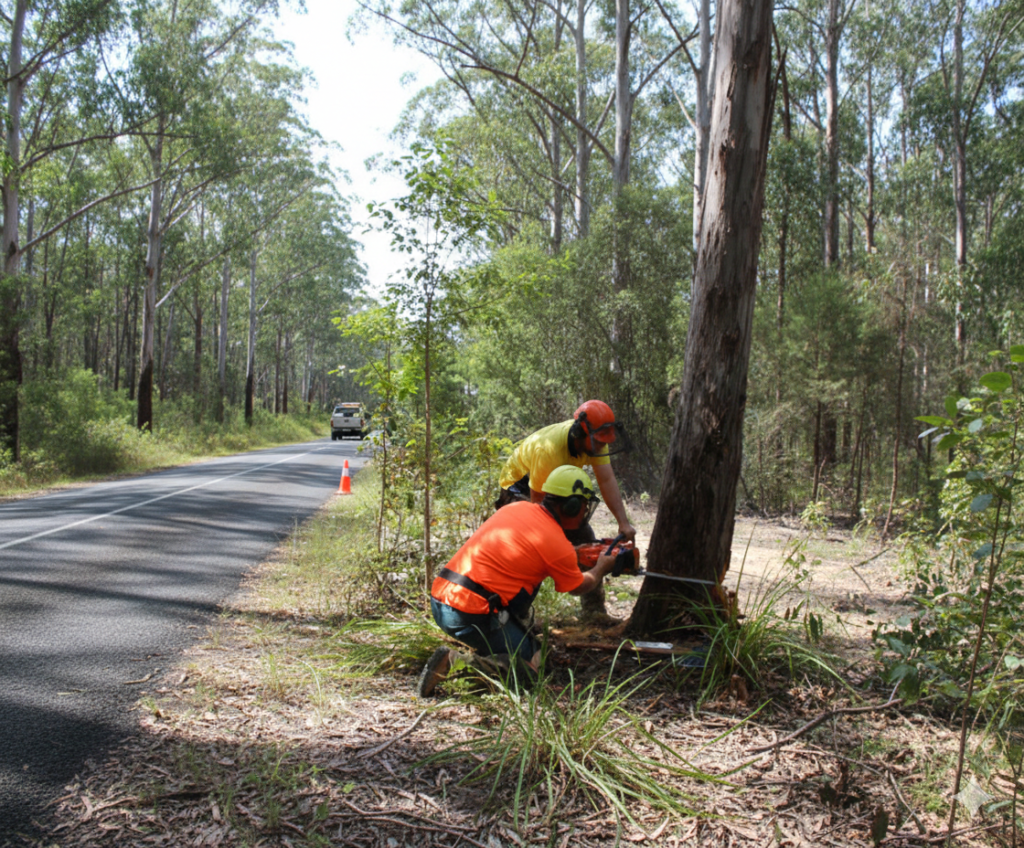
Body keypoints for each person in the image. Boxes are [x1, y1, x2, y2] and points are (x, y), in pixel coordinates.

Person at [417, 466, 617, 698]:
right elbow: (577, 587)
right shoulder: (556, 544)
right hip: (468, 612)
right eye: (583, 505)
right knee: (532, 668)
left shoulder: (517, 507)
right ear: (573, 506)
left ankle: (487, 647)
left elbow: (531, 548)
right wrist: (601, 567)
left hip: (442, 598)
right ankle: (457, 663)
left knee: (529, 646)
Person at [496, 400, 635, 621]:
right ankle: (514, 615)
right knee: (533, 548)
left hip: (556, 489)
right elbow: (537, 506)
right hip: (520, 488)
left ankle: (594, 612)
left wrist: (623, 522)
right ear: (581, 433)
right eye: (599, 442)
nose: (602, 447)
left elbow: (607, 480)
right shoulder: (549, 449)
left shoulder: (598, 438)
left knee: (586, 538)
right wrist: (557, 545)